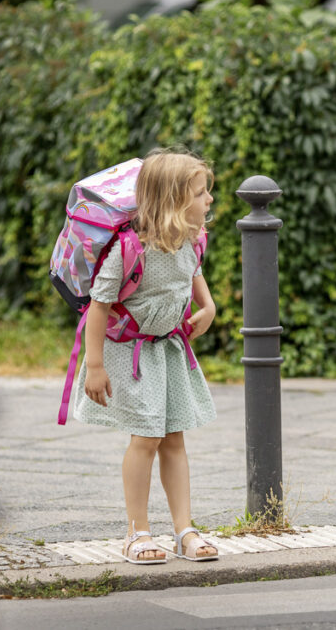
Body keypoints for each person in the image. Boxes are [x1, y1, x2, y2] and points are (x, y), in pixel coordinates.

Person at [71, 149, 219, 564]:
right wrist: (95, 366)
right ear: (173, 200)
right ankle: (137, 531)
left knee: (174, 438)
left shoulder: (191, 242)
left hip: (168, 351)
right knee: (146, 438)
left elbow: (197, 284)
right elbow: (98, 306)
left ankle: (184, 529)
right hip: (127, 354)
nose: (209, 200)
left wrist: (207, 309)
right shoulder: (129, 249)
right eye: (200, 193)